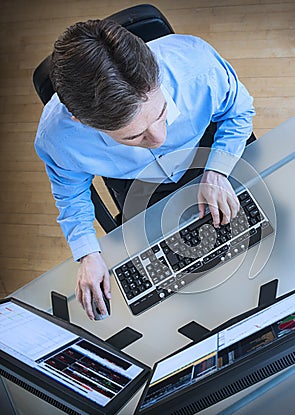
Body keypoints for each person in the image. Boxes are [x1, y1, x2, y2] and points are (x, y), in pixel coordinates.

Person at [35, 19, 255, 320]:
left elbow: (239, 110)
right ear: (80, 121)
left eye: (161, 114)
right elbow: (71, 194)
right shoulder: (58, 138)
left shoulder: (197, 65)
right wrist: (88, 253)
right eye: (134, 136)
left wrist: (217, 170)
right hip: (138, 182)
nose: (159, 138)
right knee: (177, 297)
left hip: (209, 150)